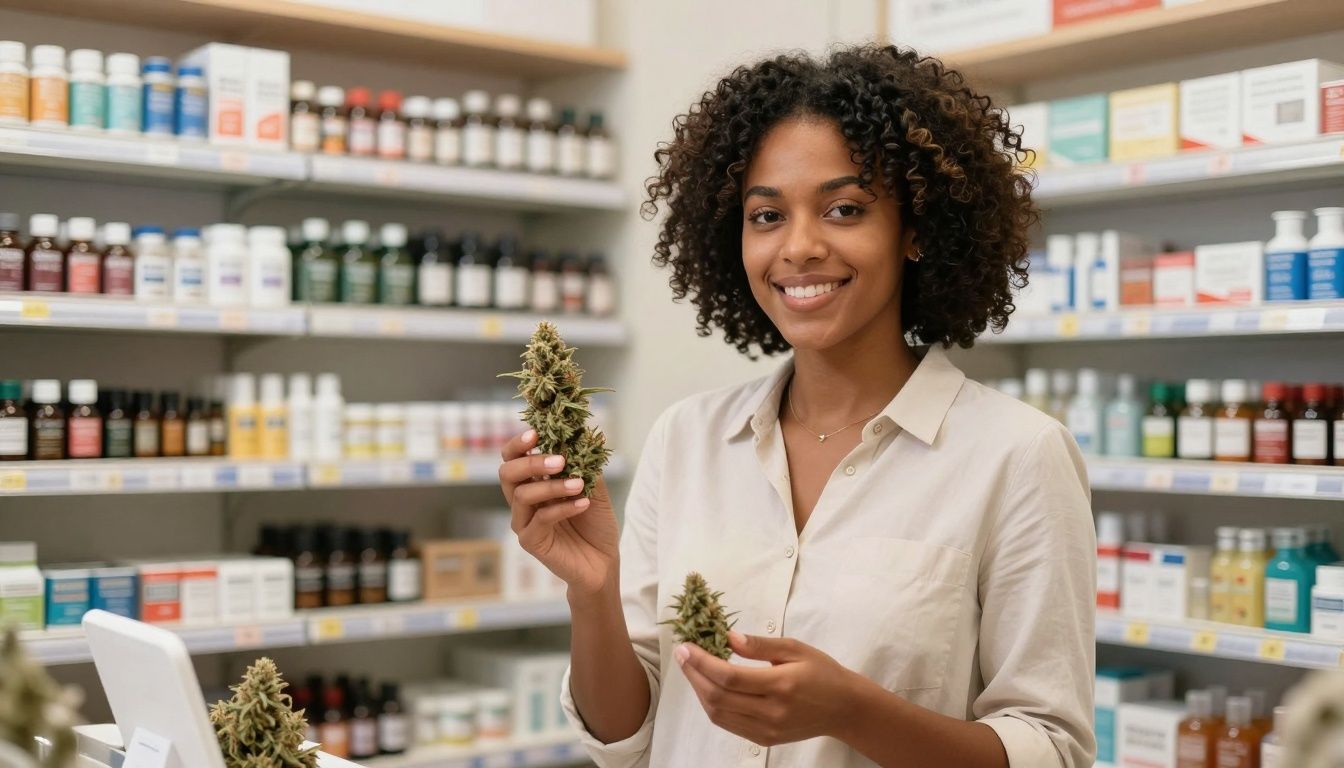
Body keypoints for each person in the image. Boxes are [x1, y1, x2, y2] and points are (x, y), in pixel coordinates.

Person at [499, 43, 1095, 767]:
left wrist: (852, 710)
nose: (800, 247)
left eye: (844, 209)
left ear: (914, 230)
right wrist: (592, 589)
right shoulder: (686, 438)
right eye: (766, 215)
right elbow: (626, 735)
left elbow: (1051, 749)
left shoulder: (1017, 455)